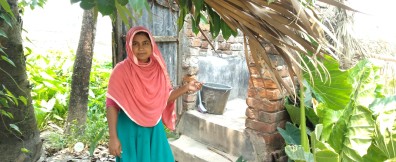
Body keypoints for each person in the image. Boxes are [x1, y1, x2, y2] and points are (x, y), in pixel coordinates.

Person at [105, 26, 202, 162]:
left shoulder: (158, 69)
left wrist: (186, 88)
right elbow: (111, 104)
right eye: (135, 44)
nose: (141, 48)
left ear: (152, 45)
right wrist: (113, 137)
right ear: (129, 45)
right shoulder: (121, 71)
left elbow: (164, 98)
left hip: (153, 128)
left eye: (145, 43)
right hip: (129, 129)